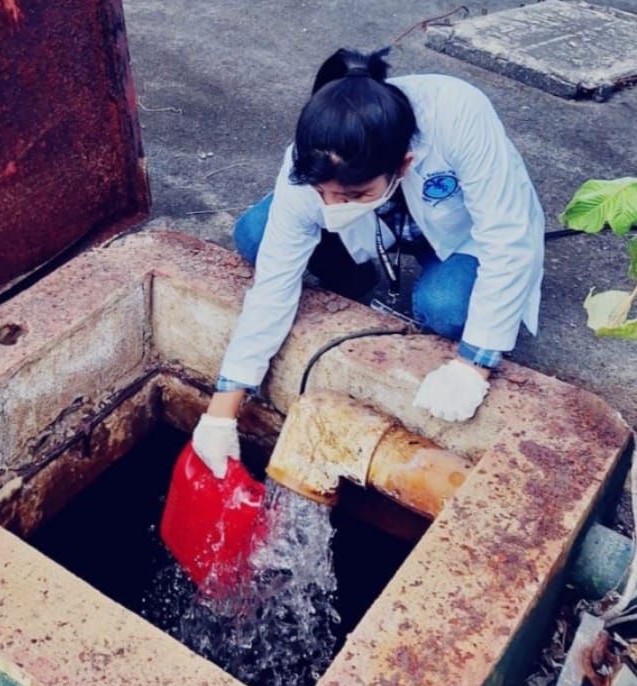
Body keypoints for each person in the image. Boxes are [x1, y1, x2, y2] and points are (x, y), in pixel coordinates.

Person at [193, 47, 544, 478]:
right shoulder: (308, 166)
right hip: (380, 226)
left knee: (444, 307)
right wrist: (222, 408)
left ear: (403, 164)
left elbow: (507, 235)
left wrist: (474, 365)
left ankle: (441, 282)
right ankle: (354, 276)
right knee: (258, 232)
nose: (331, 206)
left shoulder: (457, 113)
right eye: (323, 194)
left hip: (462, 233)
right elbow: (273, 285)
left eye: (351, 195)